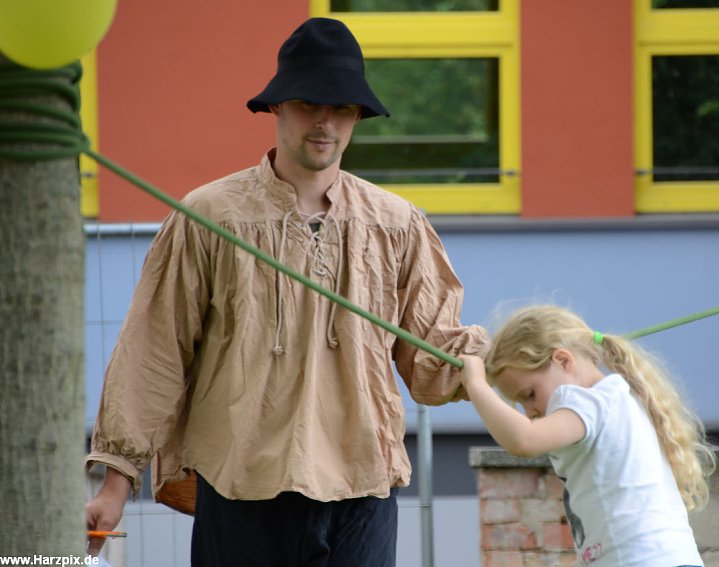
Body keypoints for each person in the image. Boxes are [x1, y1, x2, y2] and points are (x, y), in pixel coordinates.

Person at [84, 17, 488, 567]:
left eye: (342, 108)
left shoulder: (397, 224)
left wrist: (514, 363)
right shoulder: (210, 215)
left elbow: (432, 357)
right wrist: (115, 481)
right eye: (309, 103)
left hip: (362, 488)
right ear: (277, 107)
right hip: (242, 486)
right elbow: (155, 347)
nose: (326, 122)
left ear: (357, 116)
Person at [460, 305, 715, 567]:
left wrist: (476, 385)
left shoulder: (588, 402)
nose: (531, 412)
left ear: (563, 361)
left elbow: (525, 439)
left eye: (529, 395)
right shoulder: (619, 399)